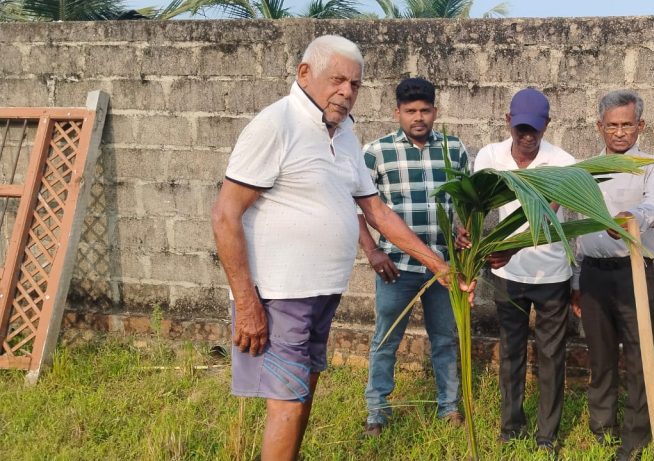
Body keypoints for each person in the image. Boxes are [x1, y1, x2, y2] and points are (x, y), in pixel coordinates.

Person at [210, 36, 465, 460]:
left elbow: (377, 211)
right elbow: (225, 214)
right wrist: (247, 302)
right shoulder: (276, 124)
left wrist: (438, 265)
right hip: (280, 293)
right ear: (304, 74)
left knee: (304, 388)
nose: (347, 92)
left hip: (322, 291)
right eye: (338, 80)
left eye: (355, 84)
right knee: (287, 401)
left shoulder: (344, 135)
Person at [358, 77, 471, 436]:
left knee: (445, 338)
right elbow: (356, 208)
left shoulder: (454, 149)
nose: (418, 117)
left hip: (444, 268)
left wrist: (464, 229)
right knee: (386, 339)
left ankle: (448, 407)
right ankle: (377, 411)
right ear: (397, 113)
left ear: (435, 111)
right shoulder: (376, 152)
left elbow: (467, 200)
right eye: (410, 111)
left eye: (424, 110)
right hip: (396, 267)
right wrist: (372, 250)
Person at [569, 90, 654, 461]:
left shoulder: (653, 165)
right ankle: (602, 432)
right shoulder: (584, 169)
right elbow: (578, 229)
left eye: (627, 125)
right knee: (601, 357)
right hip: (594, 276)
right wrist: (576, 281)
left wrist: (630, 220)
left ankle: (635, 439)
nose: (620, 132)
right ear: (600, 127)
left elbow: (653, 206)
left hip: (633, 273)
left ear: (640, 125)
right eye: (612, 126)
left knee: (641, 358)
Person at [474, 87, 575, 452]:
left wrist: (512, 247)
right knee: (511, 353)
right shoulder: (490, 156)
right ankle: (511, 427)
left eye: (535, 128)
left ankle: (547, 437)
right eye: (521, 128)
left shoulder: (562, 163)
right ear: (508, 122)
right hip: (507, 277)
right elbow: (477, 206)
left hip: (551, 276)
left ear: (547, 125)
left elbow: (546, 216)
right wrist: (469, 235)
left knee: (551, 357)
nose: (528, 136)